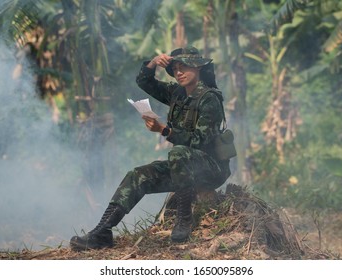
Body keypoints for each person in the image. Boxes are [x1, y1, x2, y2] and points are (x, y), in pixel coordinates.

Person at [70, 46, 231, 251]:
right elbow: (144, 81)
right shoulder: (177, 93)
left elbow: (200, 140)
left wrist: (165, 130)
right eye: (176, 67)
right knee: (138, 175)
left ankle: (184, 220)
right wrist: (153, 63)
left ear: (198, 68)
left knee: (178, 152)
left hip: (210, 169)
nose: (179, 72)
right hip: (183, 168)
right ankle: (102, 231)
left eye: (185, 67)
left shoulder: (210, 99)